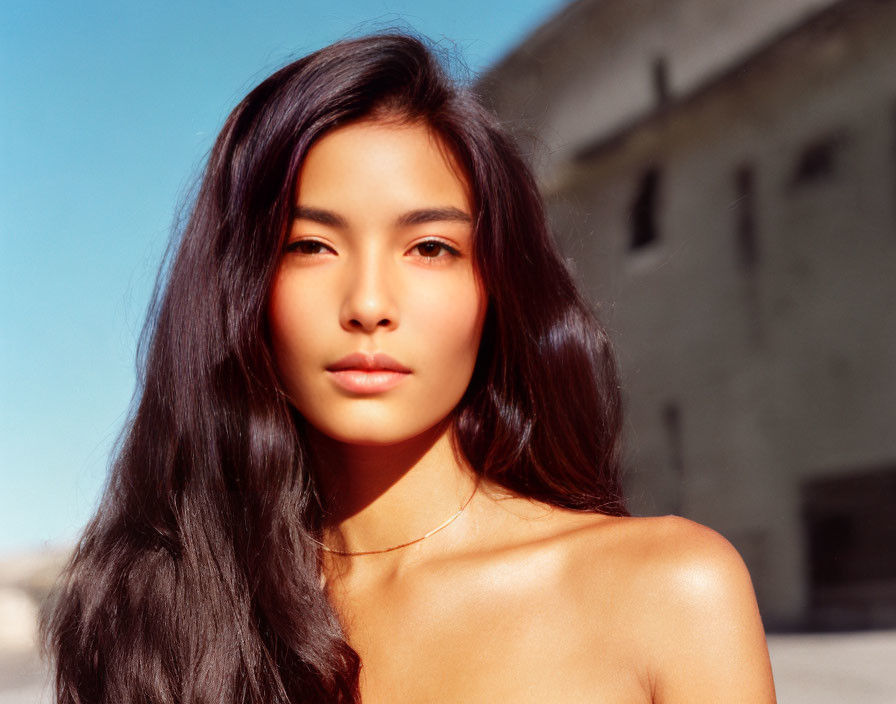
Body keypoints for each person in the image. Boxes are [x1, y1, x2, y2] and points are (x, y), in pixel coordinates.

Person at [42, 33, 776, 703]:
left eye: (430, 248)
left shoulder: (670, 591)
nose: (367, 303)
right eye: (310, 246)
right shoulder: (158, 620)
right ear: (243, 291)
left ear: (496, 288)